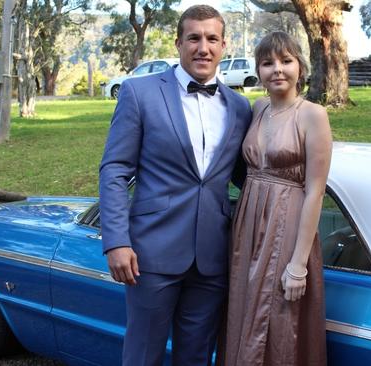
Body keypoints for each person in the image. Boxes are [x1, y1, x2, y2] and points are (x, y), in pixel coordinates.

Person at [98, 5, 252, 366]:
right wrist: (117, 242)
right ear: (179, 42)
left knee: (197, 357)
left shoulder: (240, 107)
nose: (203, 47)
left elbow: (245, 177)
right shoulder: (140, 93)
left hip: (212, 255)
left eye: (212, 39)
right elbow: (115, 170)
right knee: (143, 355)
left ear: (223, 45)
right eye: (194, 38)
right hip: (150, 253)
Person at [221, 31, 332, 366]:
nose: (277, 70)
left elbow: (315, 190)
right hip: (248, 225)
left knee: (280, 315)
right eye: (268, 63)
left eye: (286, 60)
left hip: (288, 224)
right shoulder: (257, 109)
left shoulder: (314, 115)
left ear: (300, 65)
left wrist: (298, 265)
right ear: (258, 70)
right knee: (245, 307)